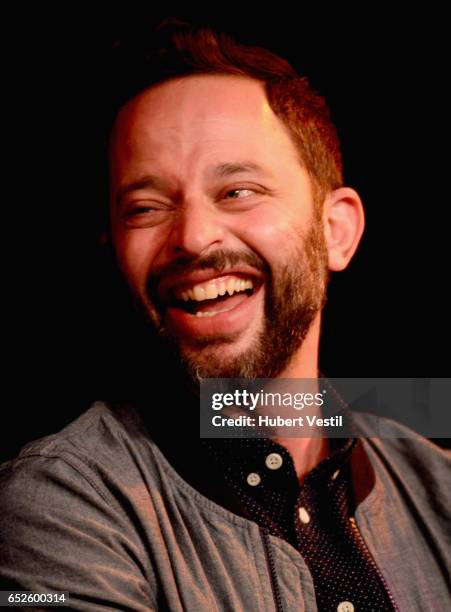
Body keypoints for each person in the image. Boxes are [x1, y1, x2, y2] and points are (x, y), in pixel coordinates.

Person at [1, 21, 450, 611]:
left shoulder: (440, 489)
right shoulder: (61, 502)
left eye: (238, 190)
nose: (192, 237)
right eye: (146, 206)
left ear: (336, 231)